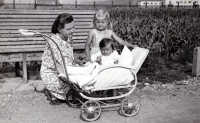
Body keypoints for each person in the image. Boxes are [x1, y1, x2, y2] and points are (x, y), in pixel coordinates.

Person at [40, 13, 98, 105]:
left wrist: (77, 59)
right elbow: (61, 62)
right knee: (74, 84)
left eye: (73, 27)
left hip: (64, 67)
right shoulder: (53, 42)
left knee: (78, 83)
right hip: (52, 72)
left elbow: (68, 55)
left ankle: (68, 93)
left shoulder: (69, 38)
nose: (72, 31)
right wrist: (78, 65)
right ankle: (52, 92)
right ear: (59, 29)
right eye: (69, 29)